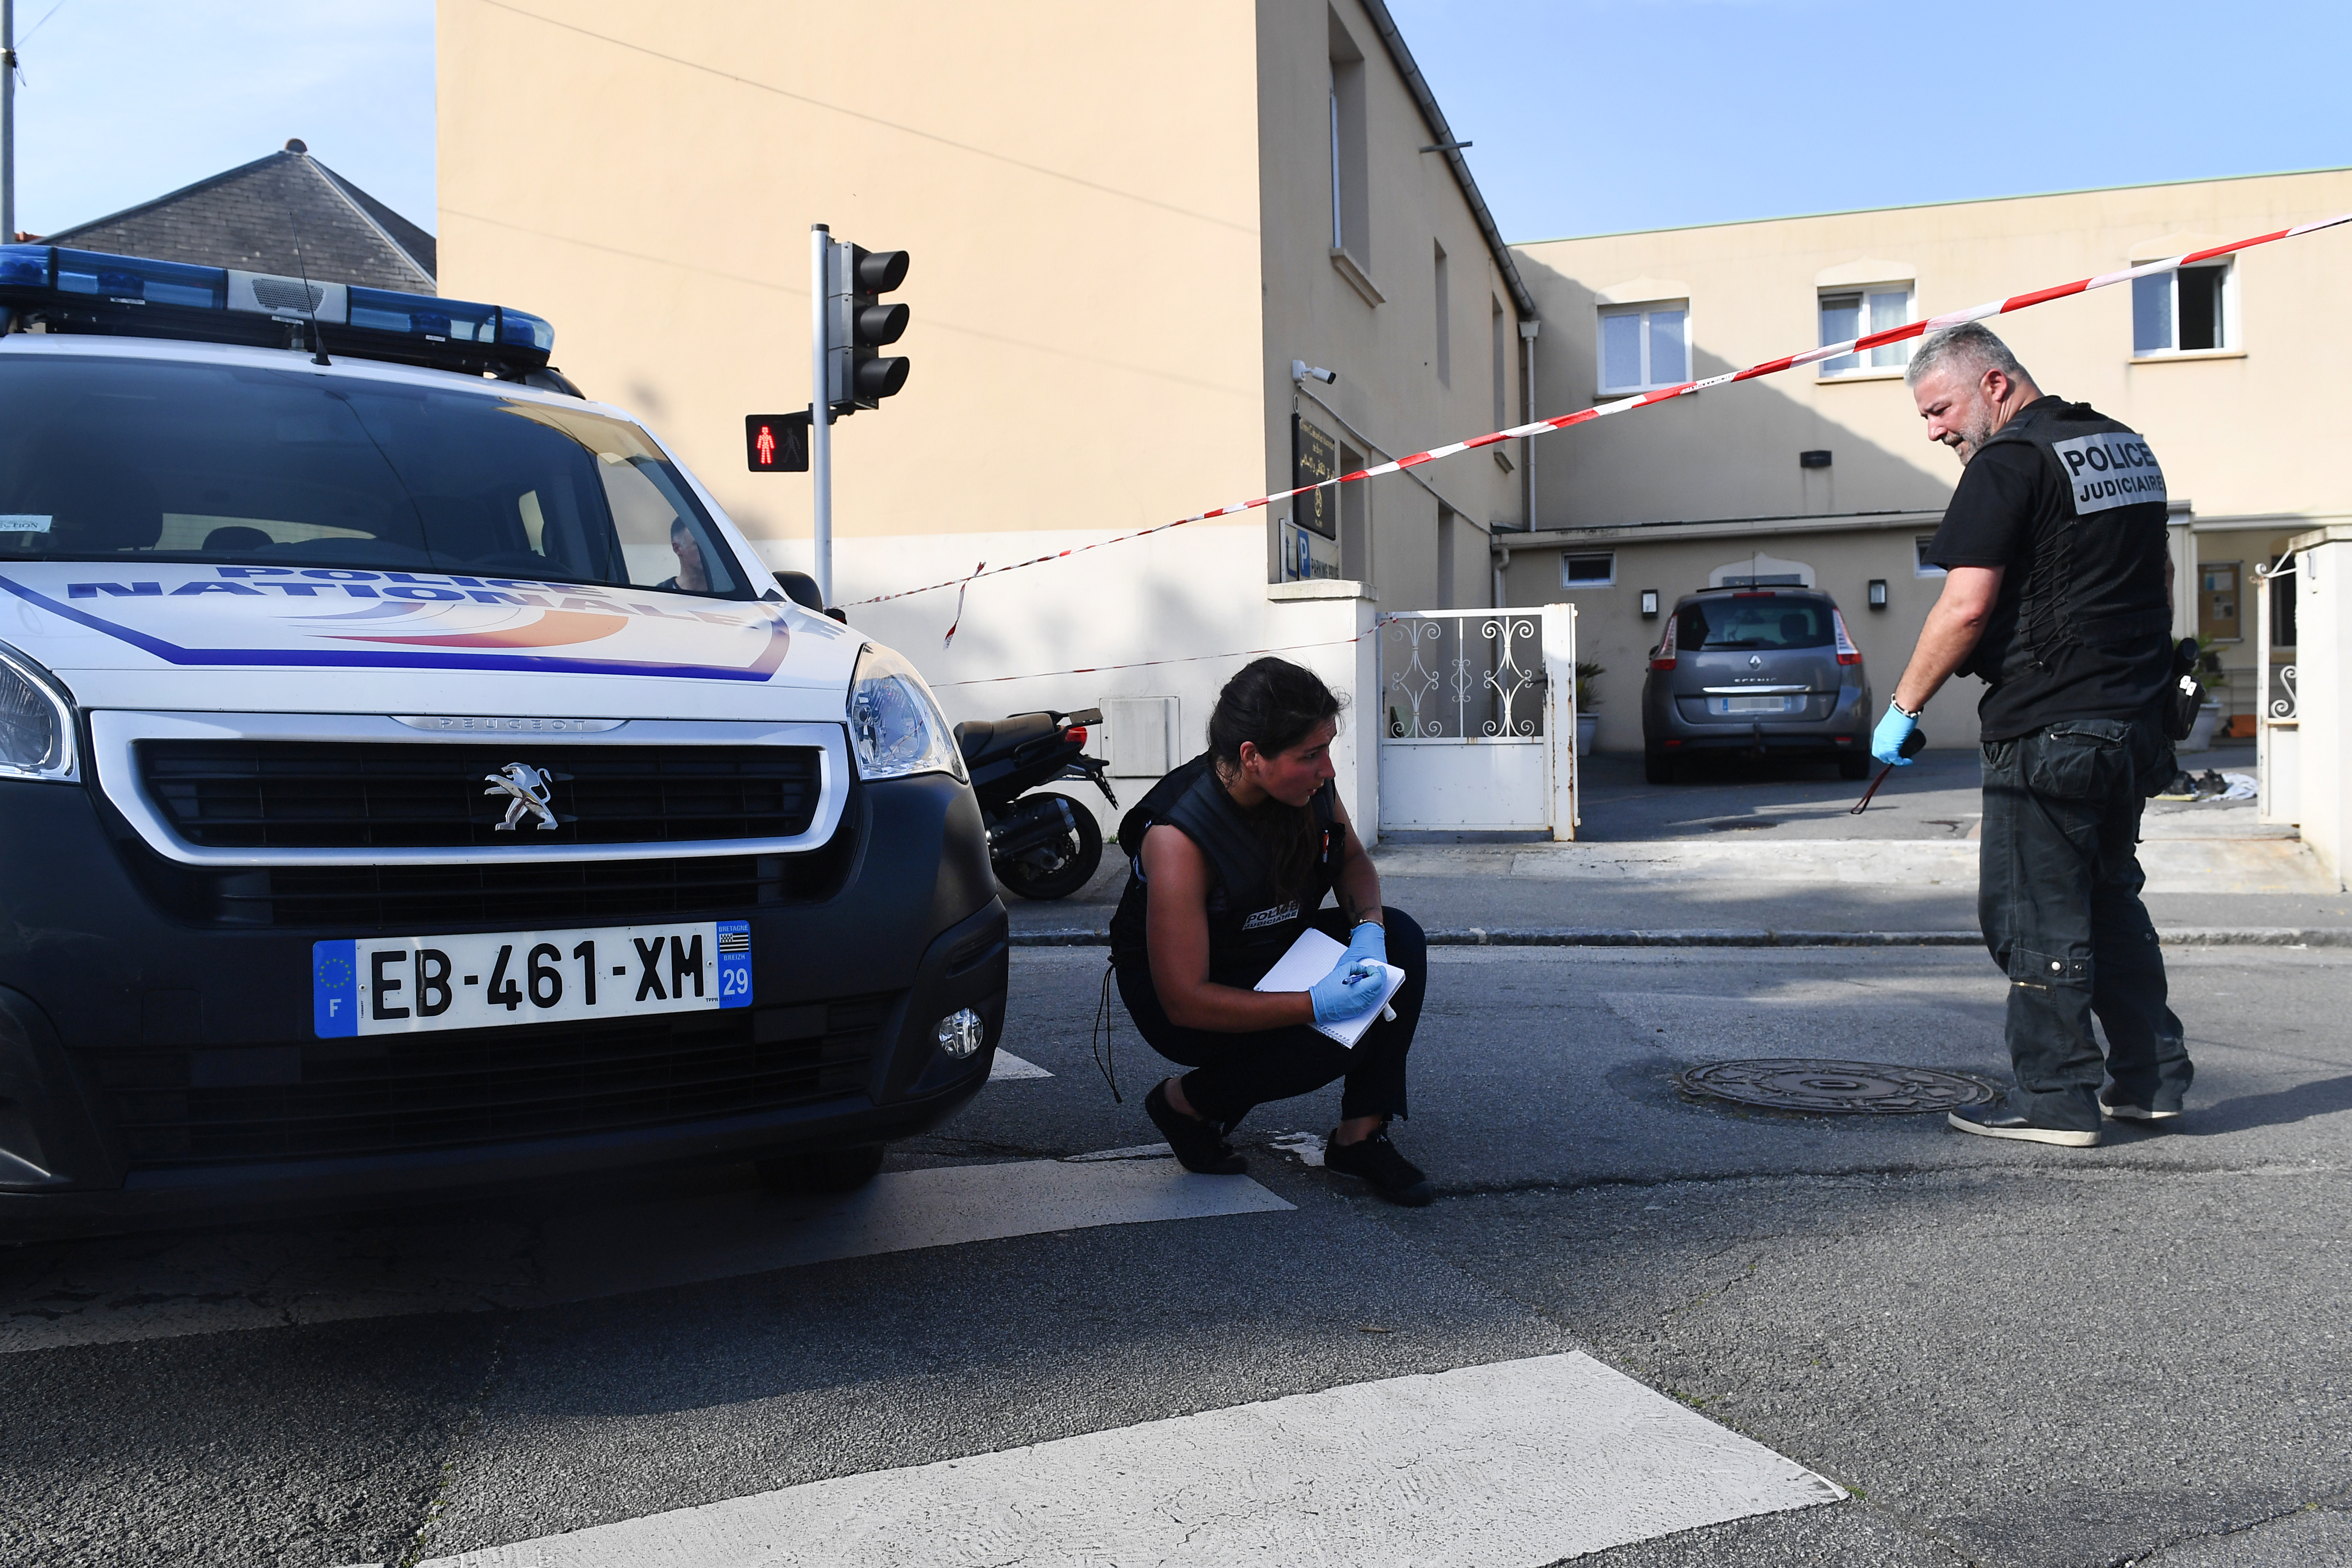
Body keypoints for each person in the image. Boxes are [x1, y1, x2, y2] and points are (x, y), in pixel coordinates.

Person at [1878, 321, 2192, 1147]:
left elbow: (1967, 604)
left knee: (2034, 913)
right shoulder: (2122, 448)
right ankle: (2150, 1080)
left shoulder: (2008, 463)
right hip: (2131, 721)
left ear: (1993, 384)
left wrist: (1904, 706)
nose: (1936, 428)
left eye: (1939, 408)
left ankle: (2054, 1097)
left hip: (2049, 728)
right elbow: (2157, 576)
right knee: (2110, 901)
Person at [1106, 657, 1435, 1204]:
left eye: (1327, 748)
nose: (1327, 768)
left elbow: (1352, 862)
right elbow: (1186, 1000)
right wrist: (1315, 1002)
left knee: (1400, 942)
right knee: (1332, 1039)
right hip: (1189, 993)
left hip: (1268, 946)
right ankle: (1185, 1103)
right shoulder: (1179, 836)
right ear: (1251, 757)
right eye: (1310, 755)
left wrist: (1368, 934)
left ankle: (1358, 1137)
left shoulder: (1309, 791)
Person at [657, 516, 709, 592]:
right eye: (698, 545)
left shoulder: (726, 592)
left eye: (709, 546)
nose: (706, 551)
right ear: (677, 548)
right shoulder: (661, 595)